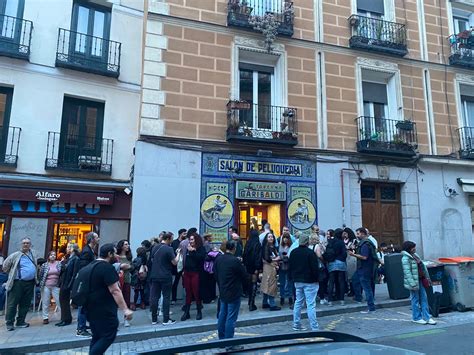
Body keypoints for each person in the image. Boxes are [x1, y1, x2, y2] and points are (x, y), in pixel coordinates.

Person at [85, 243, 133, 355]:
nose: (116, 255)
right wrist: (125, 309)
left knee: (97, 336)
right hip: (104, 309)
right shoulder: (107, 268)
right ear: (109, 254)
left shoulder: (91, 265)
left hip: (90, 308)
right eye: (114, 253)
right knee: (108, 335)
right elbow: (115, 290)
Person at [214, 240, 248, 351]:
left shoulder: (219, 259)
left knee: (222, 315)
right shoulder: (234, 261)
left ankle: (222, 340)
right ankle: (229, 342)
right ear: (233, 248)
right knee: (231, 317)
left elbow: (215, 273)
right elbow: (244, 275)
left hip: (223, 290)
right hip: (233, 291)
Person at [3, 237, 38, 331]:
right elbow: (5, 266)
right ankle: (9, 323)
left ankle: (20, 321)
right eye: (24, 243)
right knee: (13, 303)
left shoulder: (33, 254)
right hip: (18, 282)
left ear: (30, 245)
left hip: (30, 283)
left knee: (25, 303)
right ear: (21, 245)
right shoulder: (15, 255)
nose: (25, 245)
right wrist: (11, 275)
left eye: (27, 243)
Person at [289, 234, 320, 331]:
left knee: (298, 302)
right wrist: (317, 279)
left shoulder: (293, 252)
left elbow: (291, 267)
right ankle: (314, 327)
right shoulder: (310, 253)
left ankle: (296, 324)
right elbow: (315, 268)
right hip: (309, 281)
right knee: (310, 304)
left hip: (297, 280)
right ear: (307, 242)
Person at [401, 241, 436, 325]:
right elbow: (407, 272)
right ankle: (416, 317)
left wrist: (427, 277)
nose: (415, 249)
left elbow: (422, 267)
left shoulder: (415, 256)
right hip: (413, 282)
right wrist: (413, 284)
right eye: (413, 247)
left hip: (420, 279)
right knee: (415, 299)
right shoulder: (405, 259)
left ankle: (427, 317)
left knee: (424, 298)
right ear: (409, 248)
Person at [149, 232, 180, 325]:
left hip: (154, 275)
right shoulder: (169, 249)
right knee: (166, 297)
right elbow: (174, 262)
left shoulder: (154, 247)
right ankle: (166, 320)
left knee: (154, 297)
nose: (172, 241)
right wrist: (178, 254)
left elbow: (151, 260)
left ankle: (154, 319)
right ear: (168, 239)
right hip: (165, 275)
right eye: (171, 239)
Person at [77, 232, 100, 337]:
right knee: (83, 305)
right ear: (92, 239)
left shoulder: (90, 250)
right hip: (86, 282)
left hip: (88, 281)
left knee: (86, 305)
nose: (98, 239)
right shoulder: (87, 251)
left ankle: (83, 325)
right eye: (96, 237)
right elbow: (84, 267)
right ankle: (80, 329)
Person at [348, 228, 376, 313]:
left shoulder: (365, 244)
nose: (357, 235)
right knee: (357, 281)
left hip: (364, 269)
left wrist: (353, 254)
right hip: (364, 269)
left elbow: (364, 257)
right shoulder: (365, 243)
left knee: (367, 288)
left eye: (358, 234)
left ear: (363, 234)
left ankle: (371, 307)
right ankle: (363, 301)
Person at [181, 233, 206, 321]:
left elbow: (201, 258)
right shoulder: (188, 248)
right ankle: (187, 312)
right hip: (187, 272)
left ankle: (199, 311)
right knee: (188, 293)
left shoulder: (200, 249)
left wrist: (193, 251)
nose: (190, 241)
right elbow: (187, 260)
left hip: (196, 273)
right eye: (190, 240)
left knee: (196, 293)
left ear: (196, 240)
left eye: (192, 240)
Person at [57, 243, 80, 327]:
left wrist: (70, 285)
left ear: (73, 249)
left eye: (69, 247)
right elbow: (63, 269)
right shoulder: (68, 258)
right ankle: (64, 318)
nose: (67, 249)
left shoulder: (76, 259)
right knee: (62, 301)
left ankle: (66, 319)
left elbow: (74, 273)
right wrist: (62, 262)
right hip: (64, 281)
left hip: (68, 282)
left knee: (65, 301)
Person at [38, 251, 61, 324]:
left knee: (59, 301)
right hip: (46, 285)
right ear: (48, 256)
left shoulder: (59, 263)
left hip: (56, 285)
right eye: (51, 255)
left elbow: (61, 273)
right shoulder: (45, 265)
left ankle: (62, 316)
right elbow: (40, 275)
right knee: (45, 302)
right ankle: (45, 317)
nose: (53, 256)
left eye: (54, 255)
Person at [242, 229, 262, 311]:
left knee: (250, 283)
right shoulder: (257, 244)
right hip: (254, 267)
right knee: (254, 283)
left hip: (248, 266)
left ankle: (249, 300)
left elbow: (244, 255)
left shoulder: (247, 243)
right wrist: (258, 267)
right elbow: (258, 257)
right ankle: (251, 302)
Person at [326, 229, 347, 306]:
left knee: (331, 282)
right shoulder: (341, 242)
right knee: (341, 281)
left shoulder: (331, 242)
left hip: (332, 263)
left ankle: (330, 301)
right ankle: (342, 300)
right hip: (340, 262)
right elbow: (344, 254)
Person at [261, 233, 281, 311]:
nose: (271, 238)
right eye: (269, 237)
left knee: (267, 284)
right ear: (266, 238)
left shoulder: (273, 247)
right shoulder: (266, 247)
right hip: (269, 268)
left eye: (272, 237)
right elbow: (267, 259)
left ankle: (265, 302)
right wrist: (276, 259)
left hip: (272, 267)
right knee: (271, 285)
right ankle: (272, 305)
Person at [116, 240, 133, 324]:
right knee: (116, 300)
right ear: (121, 246)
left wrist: (129, 266)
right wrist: (121, 266)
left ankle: (126, 319)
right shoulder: (116, 257)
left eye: (128, 244)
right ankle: (115, 319)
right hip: (117, 280)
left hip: (126, 279)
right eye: (126, 244)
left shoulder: (129, 256)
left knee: (127, 299)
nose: (128, 246)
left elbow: (132, 266)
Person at [171, 228, 187, 304]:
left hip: (185, 265)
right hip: (176, 265)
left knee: (186, 283)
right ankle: (173, 298)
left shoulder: (187, 242)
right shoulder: (174, 242)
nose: (185, 235)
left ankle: (187, 299)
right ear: (180, 234)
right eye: (184, 233)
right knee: (175, 283)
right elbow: (173, 253)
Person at [278, 233, 293, 306]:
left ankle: (290, 297)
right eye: (284, 237)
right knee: (282, 283)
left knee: (290, 283)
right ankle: (282, 298)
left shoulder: (291, 246)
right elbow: (279, 255)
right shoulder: (280, 246)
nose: (285, 239)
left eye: (287, 238)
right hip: (282, 266)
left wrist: (285, 257)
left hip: (289, 266)